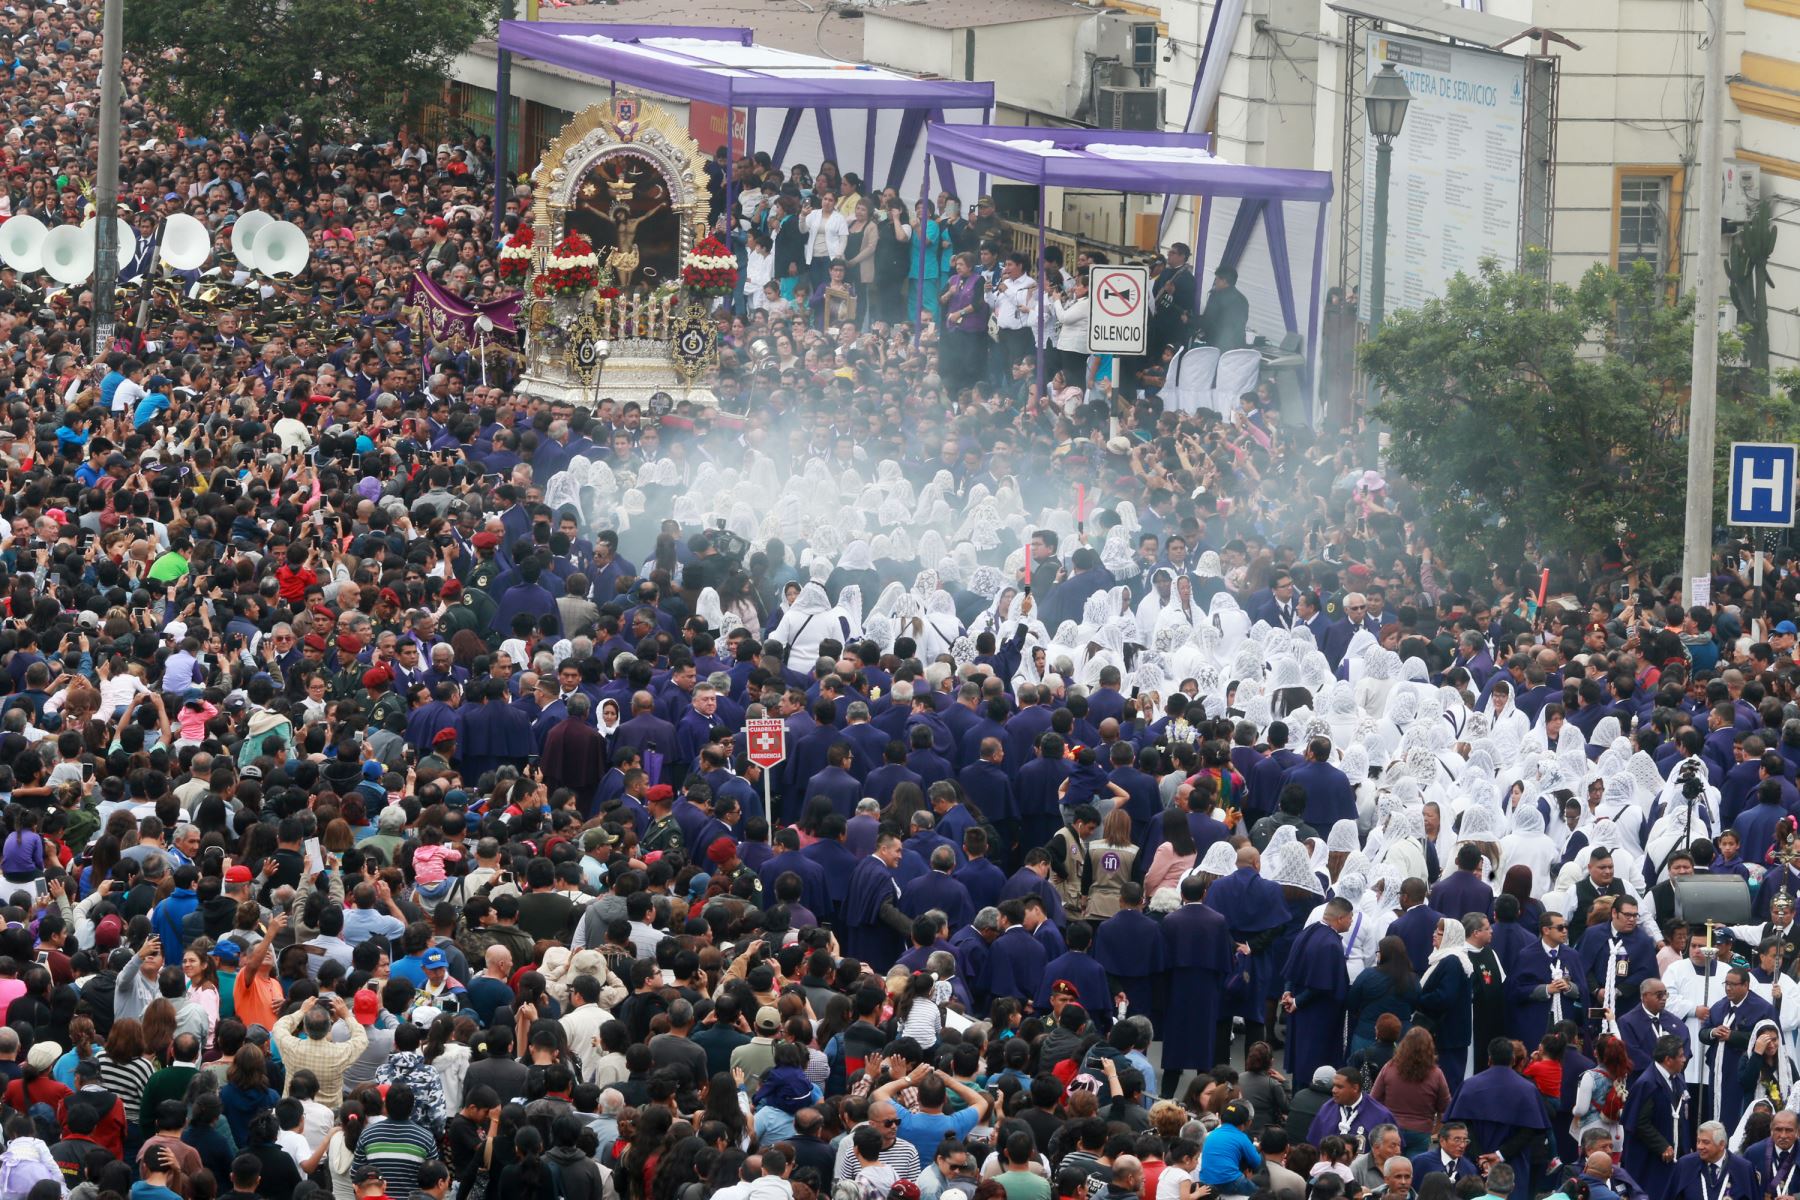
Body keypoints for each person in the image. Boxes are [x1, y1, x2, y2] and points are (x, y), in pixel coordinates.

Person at [1441, 1038, 1551, 1200]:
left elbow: (1461, 1125)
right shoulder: (1527, 1089)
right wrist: (1500, 1155)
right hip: (1512, 1167)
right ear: (1513, 1060)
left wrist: (1481, 1158)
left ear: (1489, 1059)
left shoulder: (1469, 1086)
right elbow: (1531, 1131)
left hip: (1473, 1164)